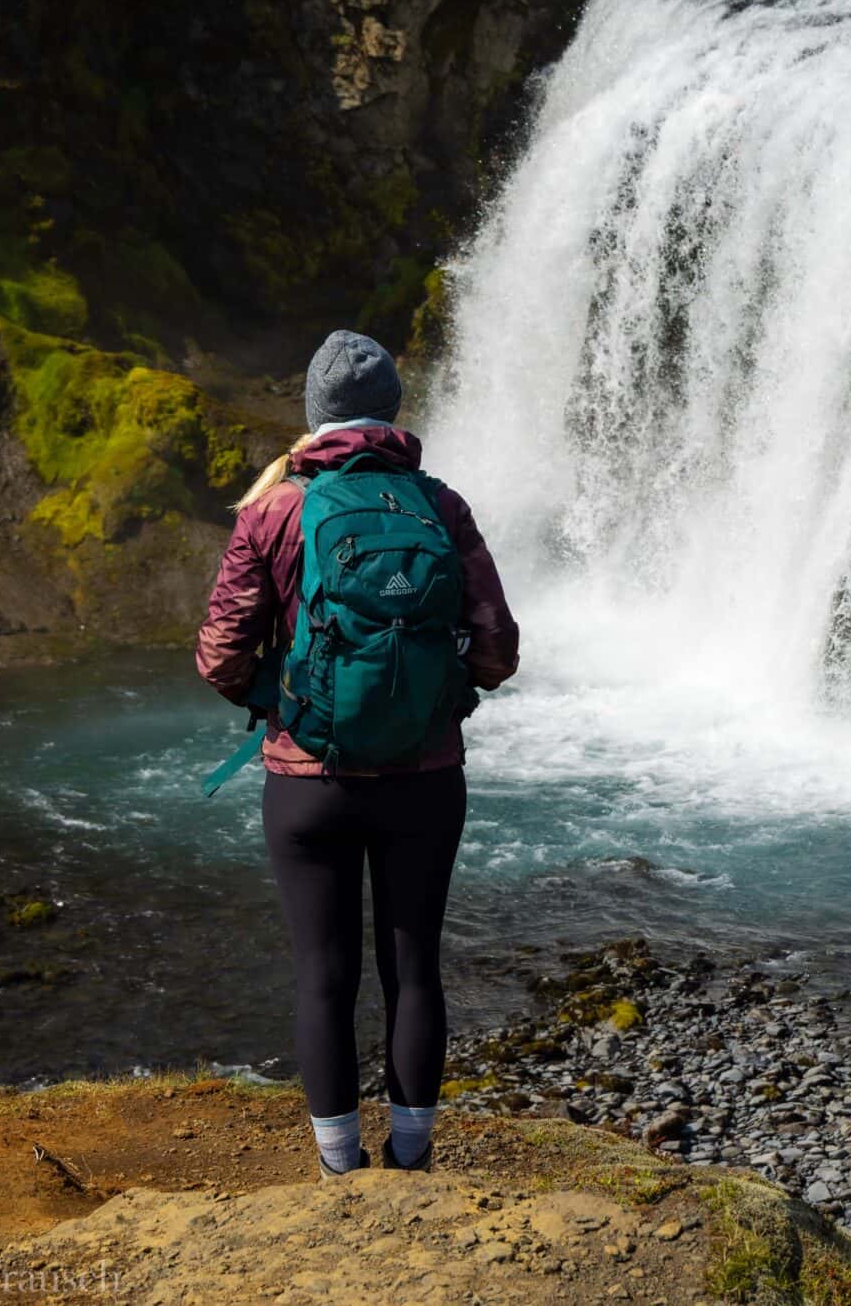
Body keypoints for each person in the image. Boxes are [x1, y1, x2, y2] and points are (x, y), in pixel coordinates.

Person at [194, 330, 520, 1175]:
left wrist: (280, 702)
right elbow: (498, 649)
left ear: (314, 415)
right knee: (415, 969)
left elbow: (220, 655)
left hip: (309, 780)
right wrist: (440, 697)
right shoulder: (439, 505)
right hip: (424, 778)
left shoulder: (275, 508)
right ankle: (411, 1158)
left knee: (323, 975)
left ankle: (341, 1167)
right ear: (393, 412)